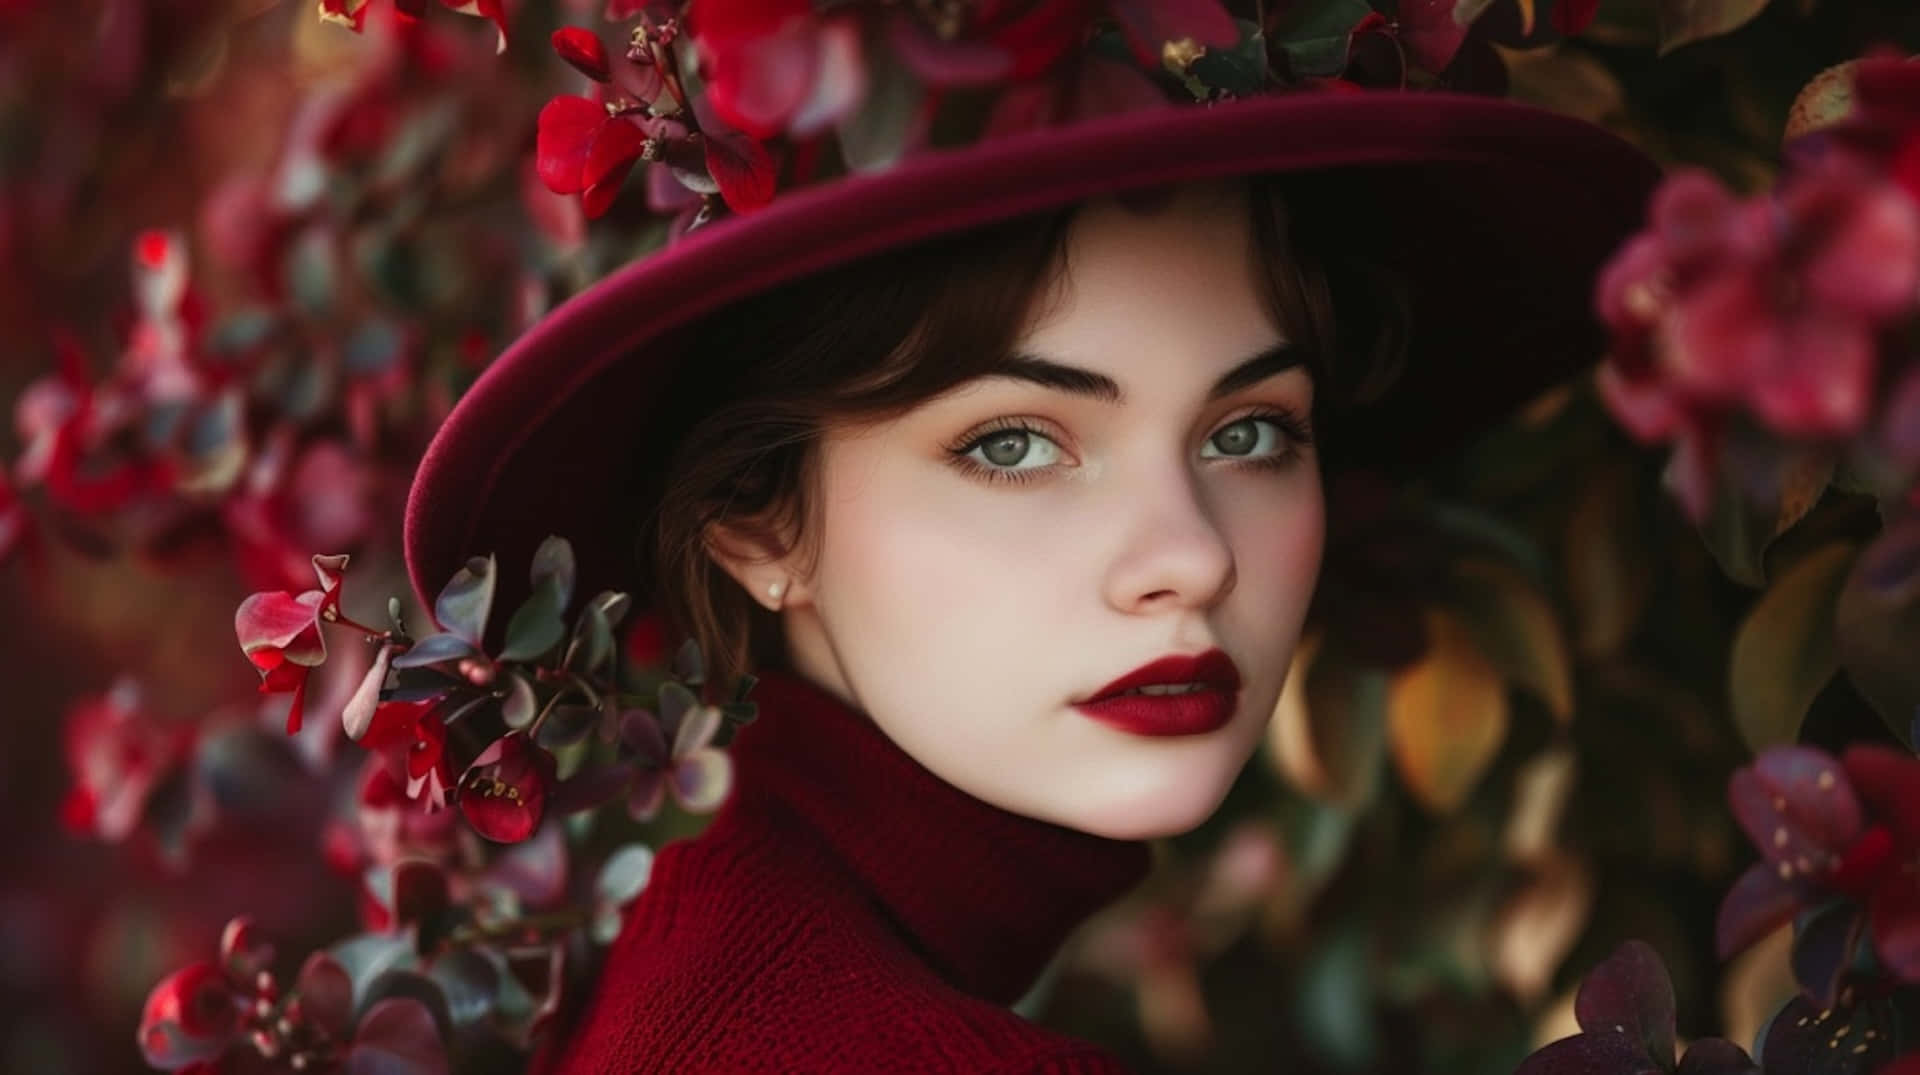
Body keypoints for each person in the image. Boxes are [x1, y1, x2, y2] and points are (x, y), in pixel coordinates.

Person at [403, 74, 1660, 1073]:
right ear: (759, 525)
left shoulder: (695, 943)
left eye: (1250, 431)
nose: (1193, 557)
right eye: (1011, 444)